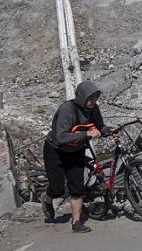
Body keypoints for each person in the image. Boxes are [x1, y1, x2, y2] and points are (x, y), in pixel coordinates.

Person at [41, 80, 113, 233]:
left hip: (76, 150)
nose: (93, 101)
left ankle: (76, 223)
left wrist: (109, 131)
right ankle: (47, 201)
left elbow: (100, 126)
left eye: (95, 97)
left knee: (77, 186)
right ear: (81, 97)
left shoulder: (94, 109)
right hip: (55, 151)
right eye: (90, 98)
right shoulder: (67, 110)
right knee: (57, 188)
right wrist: (86, 133)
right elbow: (61, 137)